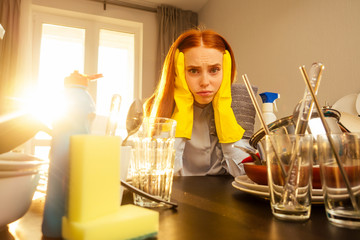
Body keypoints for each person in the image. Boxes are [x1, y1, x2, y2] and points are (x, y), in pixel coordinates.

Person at [144, 29, 252, 177]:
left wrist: (224, 110)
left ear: (225, 71)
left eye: (214, 70)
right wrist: (182, 110)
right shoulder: (156, 107)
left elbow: (246, 174)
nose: (205, 82)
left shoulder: (241, 103)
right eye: (193, 71)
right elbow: (157, 173)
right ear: (178, 71)